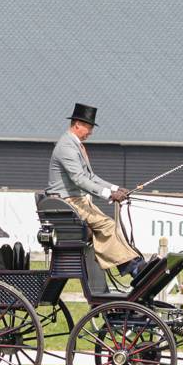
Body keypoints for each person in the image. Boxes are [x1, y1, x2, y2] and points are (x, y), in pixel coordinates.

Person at [47, 103, 145, 277]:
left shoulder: (75, 145)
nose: (91, 132)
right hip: (66, 203)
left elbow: (91, 177)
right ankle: (134, 268)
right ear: (78, 124)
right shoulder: (67, 147)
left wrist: (115, 188)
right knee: (107, 225)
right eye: (89, 127)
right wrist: (109, 194)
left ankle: (133, 264)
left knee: (109, 225)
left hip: (76, 201)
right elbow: (79, 179)